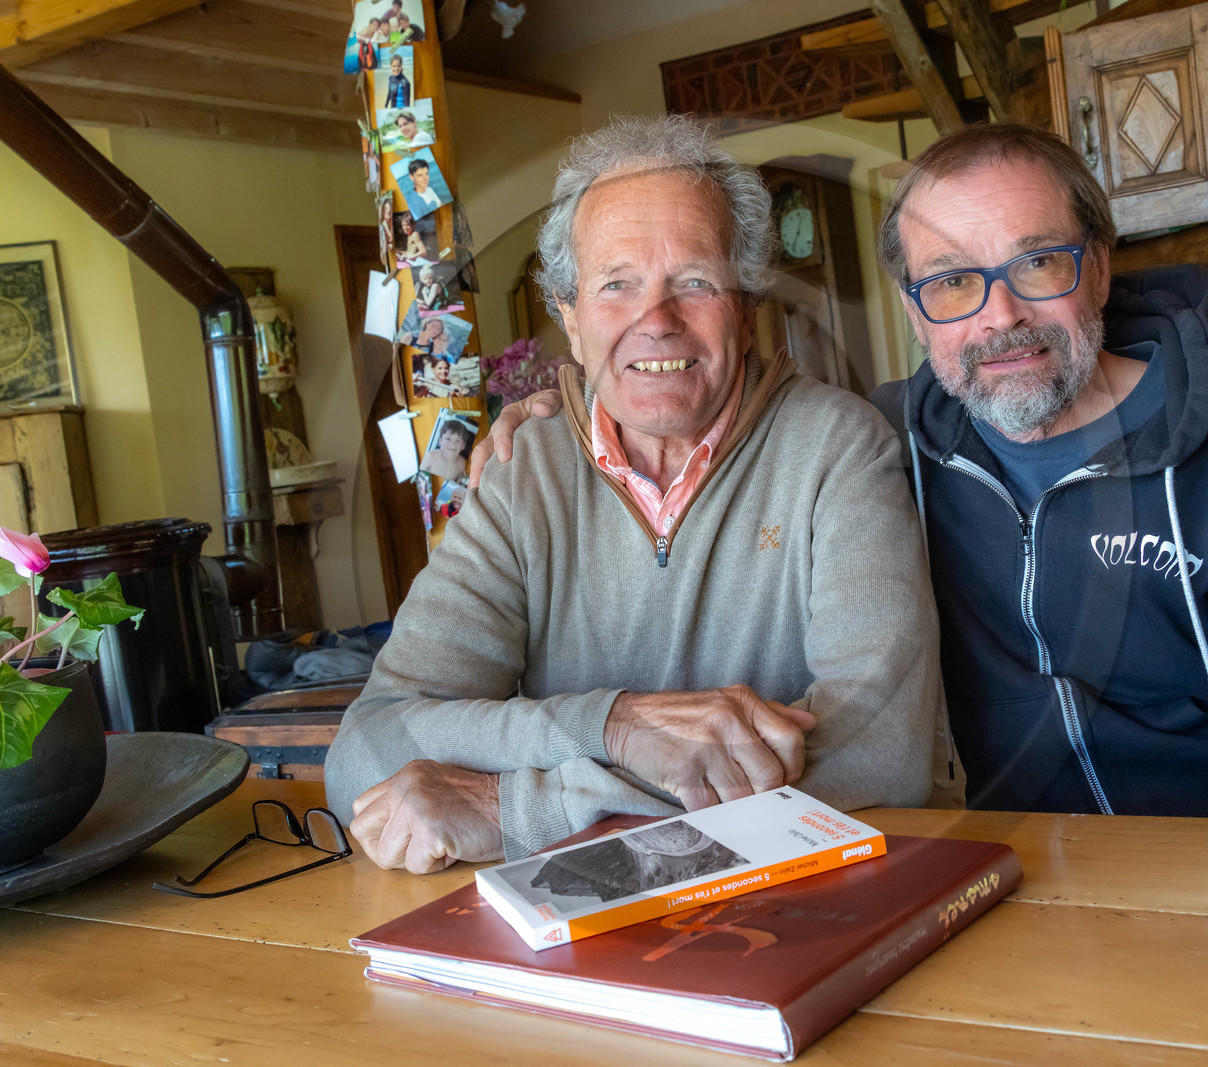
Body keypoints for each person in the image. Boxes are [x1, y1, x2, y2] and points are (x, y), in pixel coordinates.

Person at [473, 121, 1208, 823]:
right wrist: (559, 412)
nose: (999, 317)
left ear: (1098, 269)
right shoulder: (889, 446)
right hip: (987, 875)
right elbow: (710, 410)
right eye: (952, 281)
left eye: (1038, 263)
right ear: (916, 312)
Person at [325, 114, 940, 873]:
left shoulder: (839, 448)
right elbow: (367, 751)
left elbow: (878, 758)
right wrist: (613, 726)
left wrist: (516, 808)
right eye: (617, 284)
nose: (657, 321)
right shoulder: (521, 474)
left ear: (746, 307)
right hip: (570, 922)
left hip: (807, 900)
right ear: (570, 317)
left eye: (694, 281)